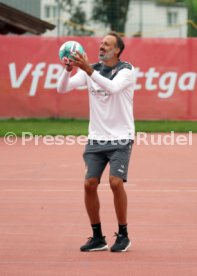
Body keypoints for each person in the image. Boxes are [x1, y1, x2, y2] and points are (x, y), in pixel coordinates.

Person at [57, 32, 135, 252]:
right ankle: (97, 237)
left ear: (117, 50)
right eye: (101, 43)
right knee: (89, 184)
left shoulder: (126, 71)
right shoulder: (90, 69)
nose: (101, 46)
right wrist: (68, 70)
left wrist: (87, 70)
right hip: (96, 138)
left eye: (107, 44)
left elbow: (111, 88)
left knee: (115, 183)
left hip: (121, 137)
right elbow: (62, 88)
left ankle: (123, 235)